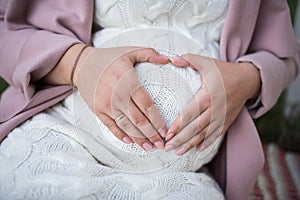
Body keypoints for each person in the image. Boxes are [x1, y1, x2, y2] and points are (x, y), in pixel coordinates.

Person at [0, 0, 299, 199]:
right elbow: (5, 27)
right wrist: (77, 64)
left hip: (188, 173)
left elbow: (285, 56)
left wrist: (246, 79)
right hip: (62, 133)